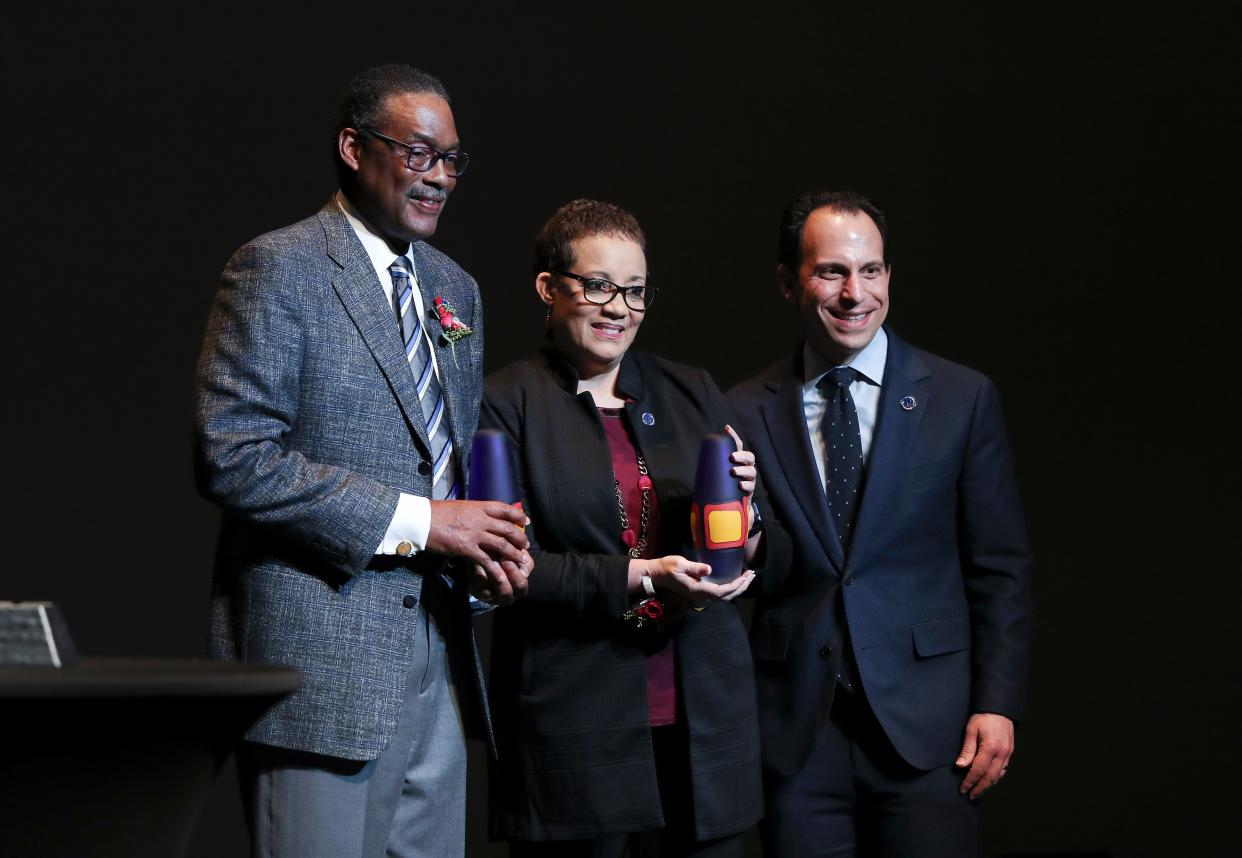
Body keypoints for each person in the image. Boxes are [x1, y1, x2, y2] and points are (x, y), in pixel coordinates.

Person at [193, 64, 532, 858]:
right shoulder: (279, 267)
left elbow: (445, 469)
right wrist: (424, 525)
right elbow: (233, 455)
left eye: (453, 159)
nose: (441, 176)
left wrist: (482, 554)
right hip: (322, 674)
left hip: (439, 669)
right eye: (420, 153)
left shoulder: (456, 290)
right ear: (353, 147)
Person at [727, 190, 1033, 857]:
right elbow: (753, 567)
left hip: (929, 732)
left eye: (871, 271)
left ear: (889, 276)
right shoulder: (741, 411)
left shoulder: (961, 398)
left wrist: (998, 702)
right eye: (831, 271)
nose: (853, 292)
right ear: (789, 282)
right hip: (796, 738)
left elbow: (1000, 567)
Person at [480, 199, 789, 858]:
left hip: (705, 722)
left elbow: (746, 541)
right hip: (576, 727)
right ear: (548, 288)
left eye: (636, 292)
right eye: (598, 286)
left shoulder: (691, 389)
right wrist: (641, 575)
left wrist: (749, 514)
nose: (618, 307)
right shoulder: (507, 402)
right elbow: (508, 566)